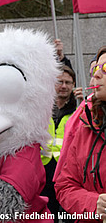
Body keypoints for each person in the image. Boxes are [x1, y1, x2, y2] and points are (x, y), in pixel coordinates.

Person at [54, 45, 106, 220]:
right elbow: (64, 186)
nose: (96, 75)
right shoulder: (87, 126)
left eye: (105, 68)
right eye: (95, 69)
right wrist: (93, 203)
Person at [41, 65, 77, 219]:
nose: (63, 86)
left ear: (73, 85)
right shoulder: (41, 109)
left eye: (68, 82)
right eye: (60, 82)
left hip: (67, 172)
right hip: (42, 172)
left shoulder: (79, 109)